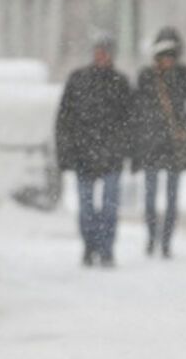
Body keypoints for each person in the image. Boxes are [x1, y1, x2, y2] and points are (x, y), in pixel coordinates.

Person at [54, 33, 132, 267]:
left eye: (106, 52)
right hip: (83, 155)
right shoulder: (78, 80)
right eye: (99, 51)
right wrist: (66, 151)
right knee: (86, 209)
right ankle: (89, 246)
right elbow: (64, 118)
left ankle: (106, 249)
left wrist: (125, 148)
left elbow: (131, 120)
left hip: (111, 156)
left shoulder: (121, 83)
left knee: (109, 208)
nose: (102, 56)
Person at [132, 26, 186, 257]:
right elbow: (137, 108)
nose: (167, 60)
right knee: (151, 197)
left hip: (174, 143)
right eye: (164, 55)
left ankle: (165, 241)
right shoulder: (146, 77)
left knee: (171, 198)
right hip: (152, 143)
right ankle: (152, 237)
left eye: (171, 55)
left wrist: (185, 124)